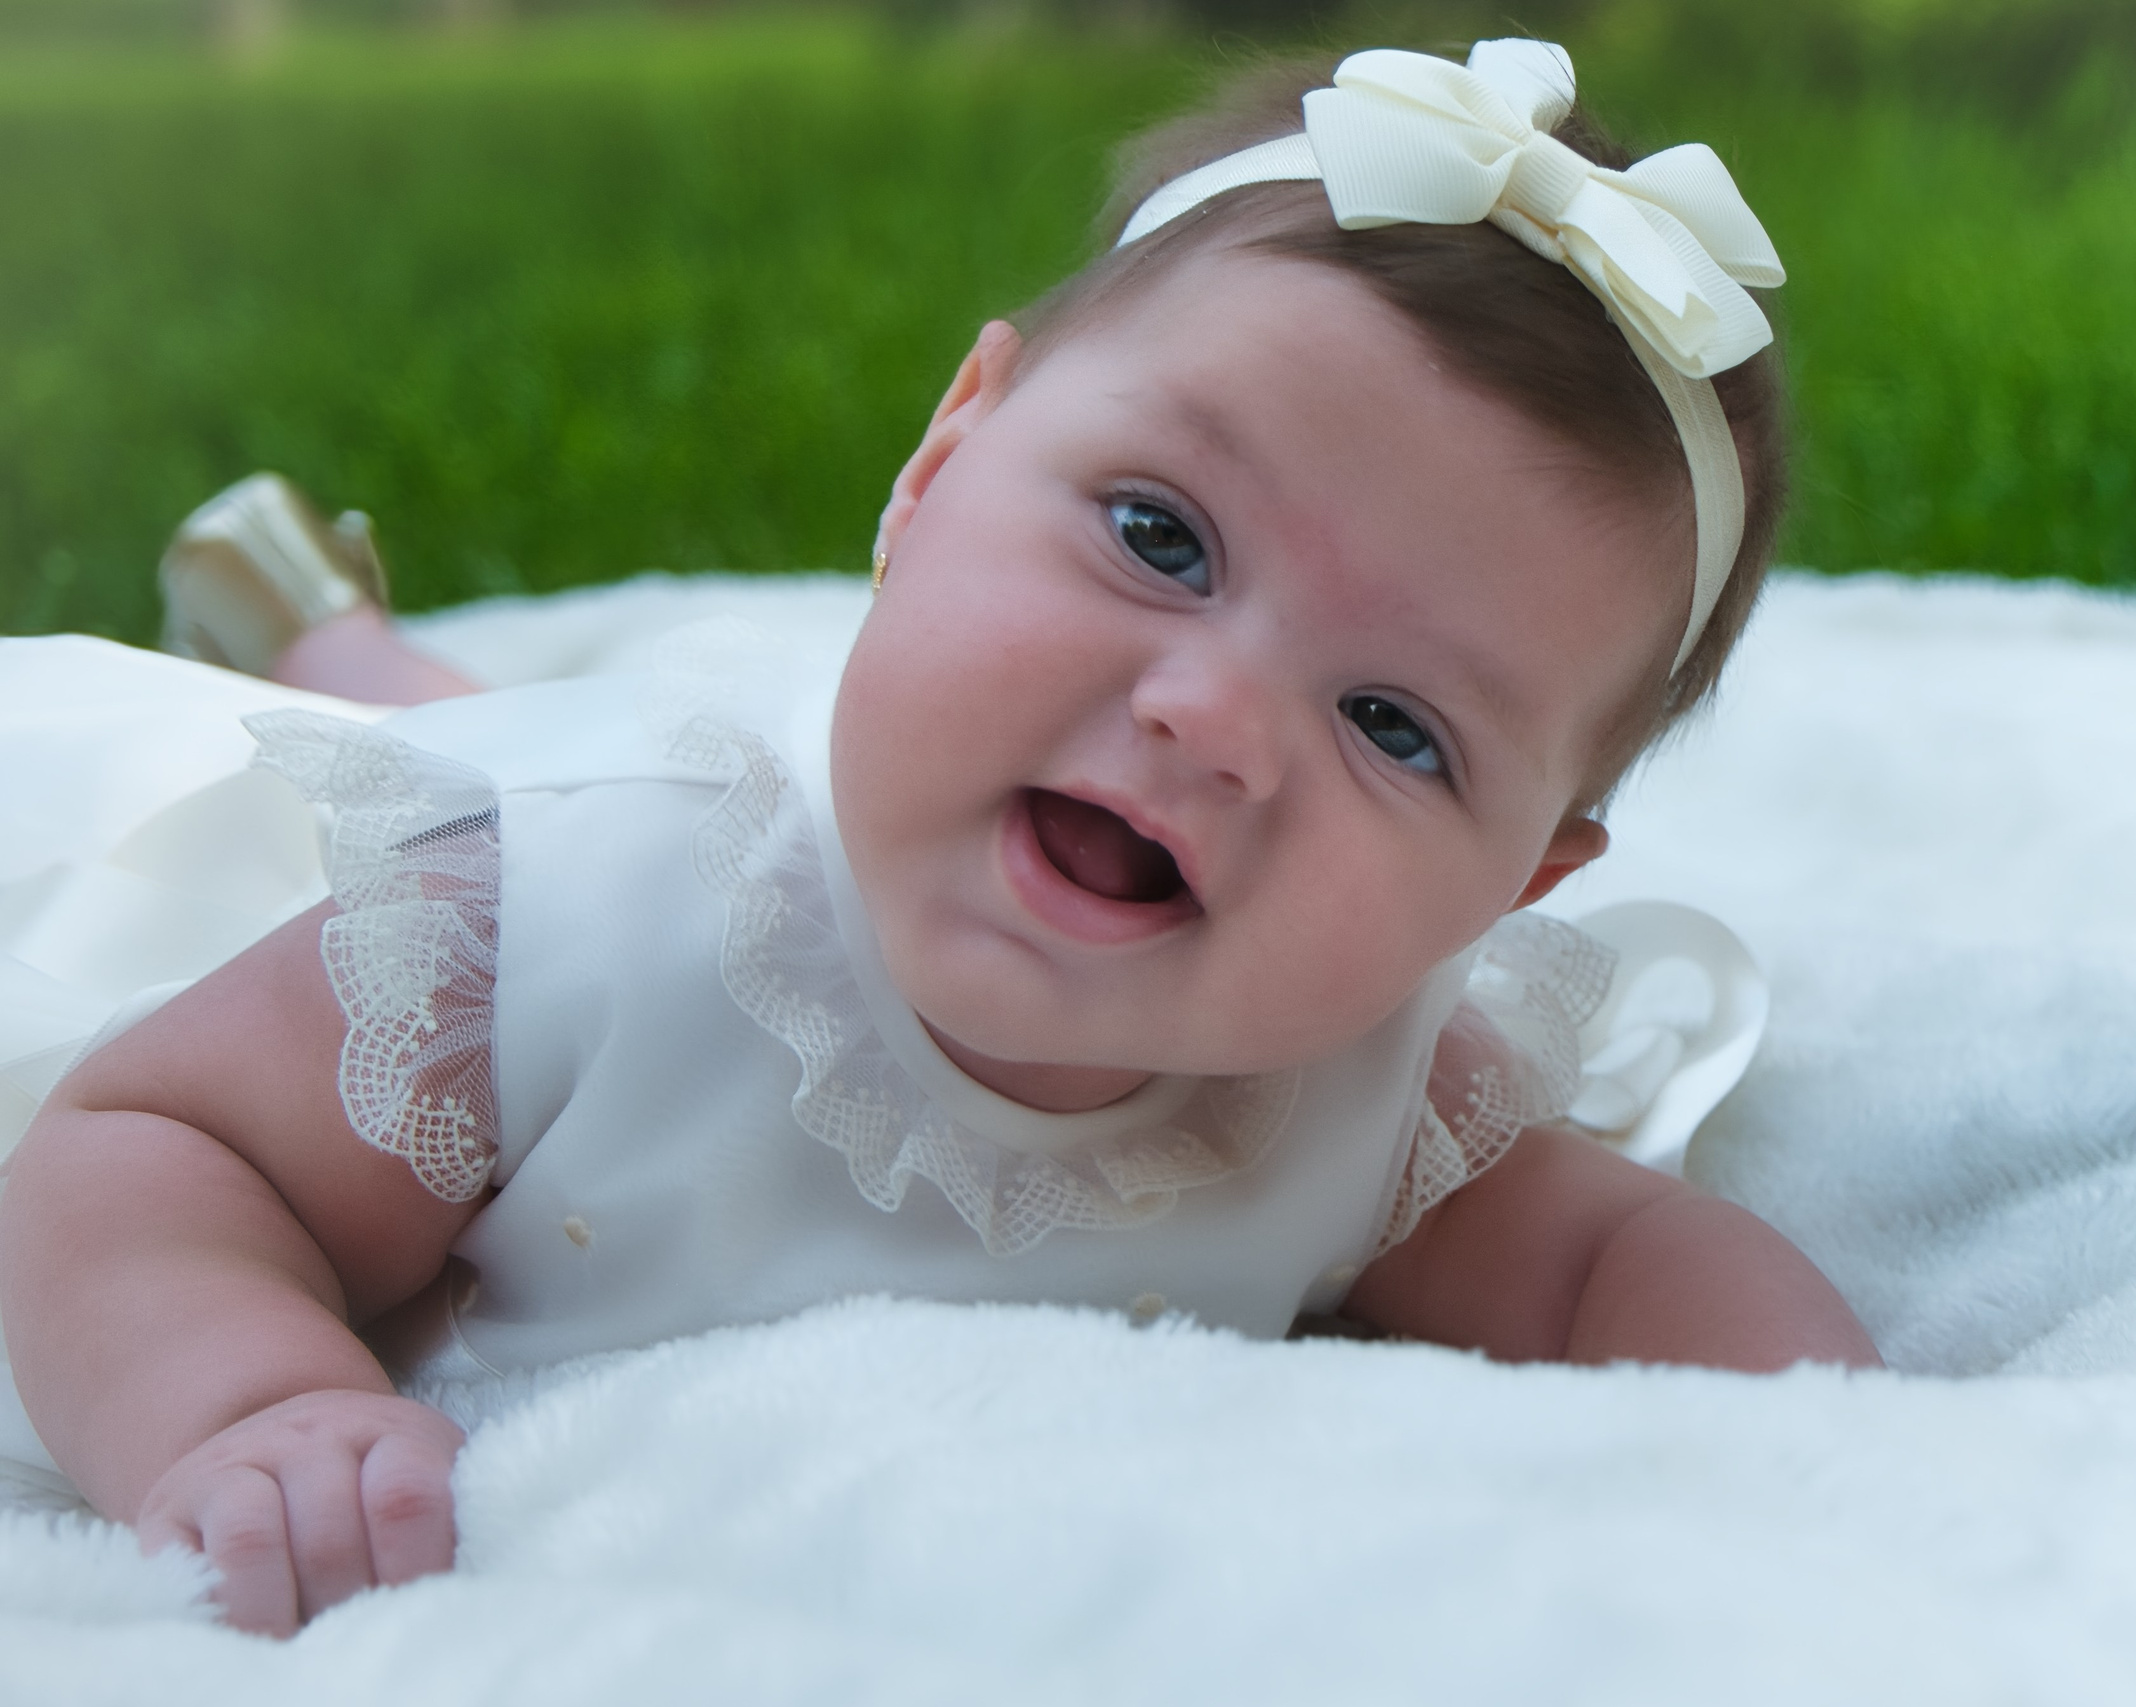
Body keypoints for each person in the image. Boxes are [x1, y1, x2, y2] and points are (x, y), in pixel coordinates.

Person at [0, 39, 1878, 1637]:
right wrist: (240, 1404)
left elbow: (1614, 1264)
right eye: (1160, 537)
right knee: (430, 740)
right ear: (942, 463)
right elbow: (151, 1150)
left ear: (1514, 887)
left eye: (1396, 726)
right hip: (550, 827)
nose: (1212, 721)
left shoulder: (1375, 1092)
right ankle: (312, 620)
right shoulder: (546, 918)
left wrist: (1841, 1459)